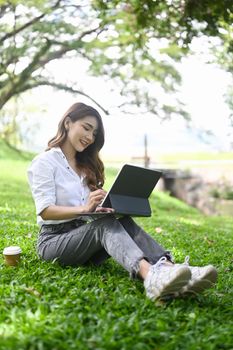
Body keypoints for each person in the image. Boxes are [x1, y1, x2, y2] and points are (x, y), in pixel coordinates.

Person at [27, 102, 217, 301]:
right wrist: (84, 208)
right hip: (53, 243)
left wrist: (99, 208)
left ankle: (171, 269)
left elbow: (87, 214)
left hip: (81, 239)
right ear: (67, 123)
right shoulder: (45, 162)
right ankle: (150, 276)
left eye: (94, 133)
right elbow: (46, 211)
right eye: (86, 128)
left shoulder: (83, 166)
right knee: (104, 226)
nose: (90, 137)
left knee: (122, 220)